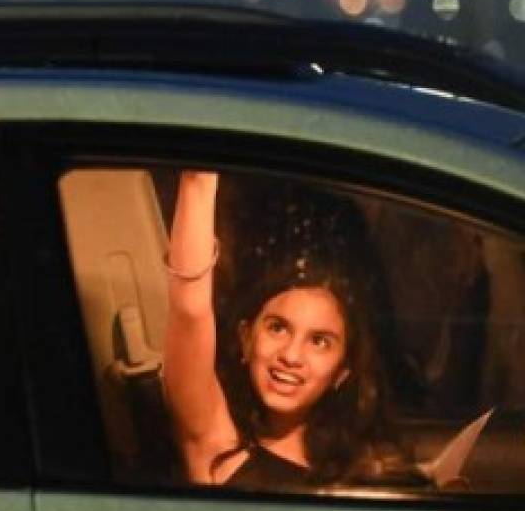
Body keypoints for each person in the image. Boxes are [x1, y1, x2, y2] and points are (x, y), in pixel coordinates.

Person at [163, 170, 400, 487]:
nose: (291, 355)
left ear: (342, 371)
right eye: (278, 328)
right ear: (247, 338)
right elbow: (190, 310)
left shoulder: (361, 471)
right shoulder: (217, 440)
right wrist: (199, 180)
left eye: (319, 342)